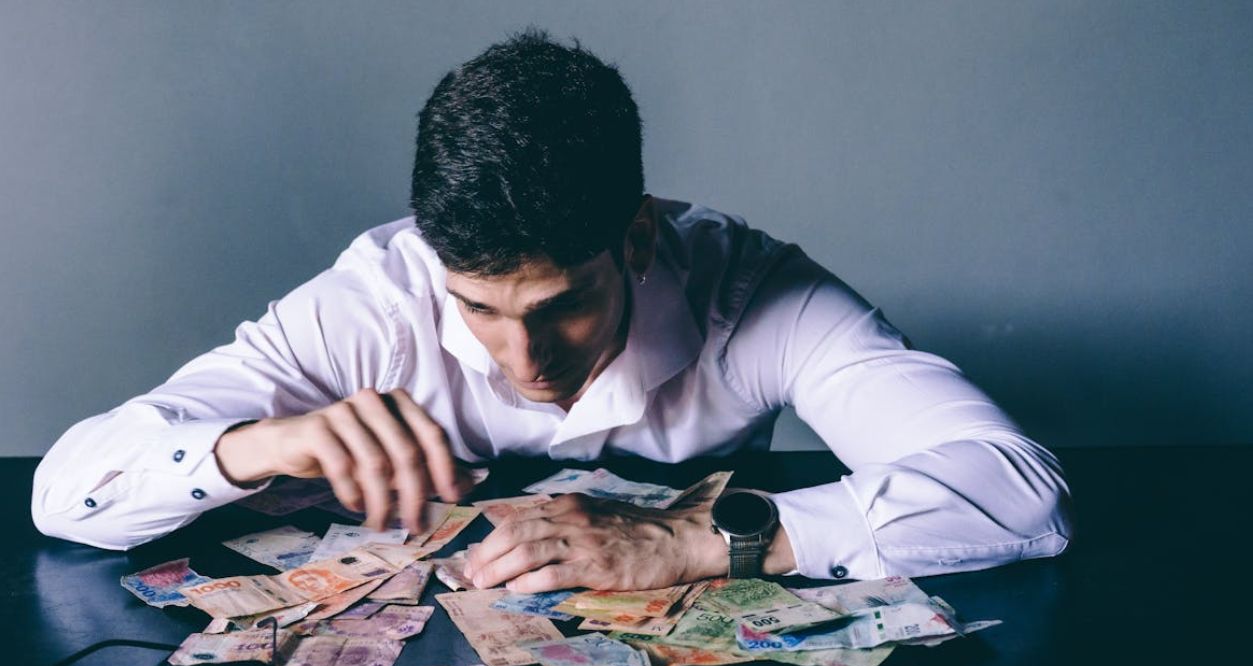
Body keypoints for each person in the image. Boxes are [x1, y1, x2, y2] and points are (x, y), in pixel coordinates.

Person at [31, 30, 1071, 592]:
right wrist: (257, 443)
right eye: (477, 307)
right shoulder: (371, 299)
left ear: (637, 237)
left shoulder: (756, 292)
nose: (521, 357)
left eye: (560, 305)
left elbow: (1018, 492)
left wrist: (697, 540)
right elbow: (64, 493)